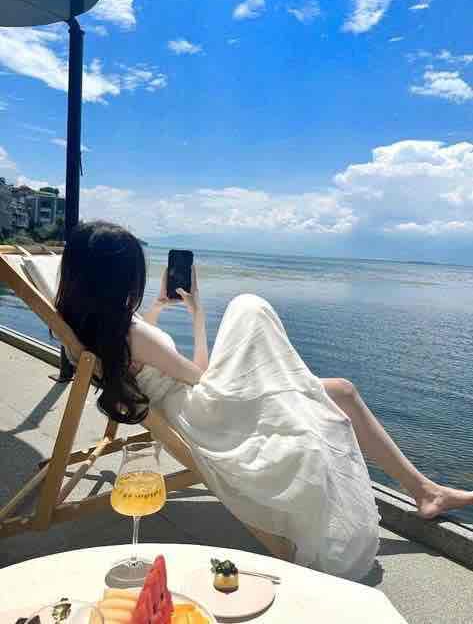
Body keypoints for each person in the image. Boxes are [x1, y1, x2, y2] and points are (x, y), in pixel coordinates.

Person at [56, 220, 473, 581]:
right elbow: (199, 373)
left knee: (342, 390)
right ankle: (425, 491)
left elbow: (142, 349)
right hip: (205, 410)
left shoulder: (96, 325)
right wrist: (199, 317)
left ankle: (425, 490)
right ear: (119, 279)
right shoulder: (131, 334)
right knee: (249, 308)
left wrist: (160, 310)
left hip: (193, 402)